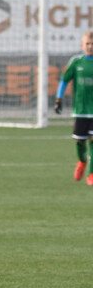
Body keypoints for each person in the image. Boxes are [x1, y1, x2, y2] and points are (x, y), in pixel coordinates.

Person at [55, 30, 93, 185]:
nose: (90, 47)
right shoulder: (76, 62)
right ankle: (82, 161)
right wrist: (59, 99)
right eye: (88, 44)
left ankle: (91, 174)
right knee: (80, 142)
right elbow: (64, 80)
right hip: (81, 111)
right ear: (82, 45)